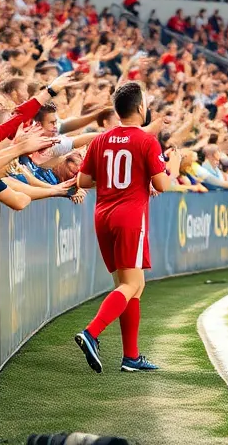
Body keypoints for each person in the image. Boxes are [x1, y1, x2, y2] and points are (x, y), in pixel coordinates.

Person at [74, 81, 177, 374]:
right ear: (141, 108)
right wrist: (176, 166)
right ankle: (92, 333)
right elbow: (162, 184)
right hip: (129, 217)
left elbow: (83, 181)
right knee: (132, 284)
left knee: (131, 286)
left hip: (103, 215)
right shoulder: (147, 141)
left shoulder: (101, 139)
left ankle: (130, 356)